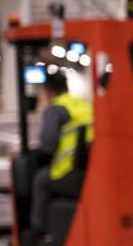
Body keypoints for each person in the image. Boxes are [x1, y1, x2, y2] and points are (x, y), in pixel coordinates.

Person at [30, 71, 93, 232]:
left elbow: (48, 144)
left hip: (69, 173)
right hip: (89, 170)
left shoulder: (55, 109)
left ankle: (39, 230)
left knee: (40, 179)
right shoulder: (82, 104)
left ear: (49, 92)